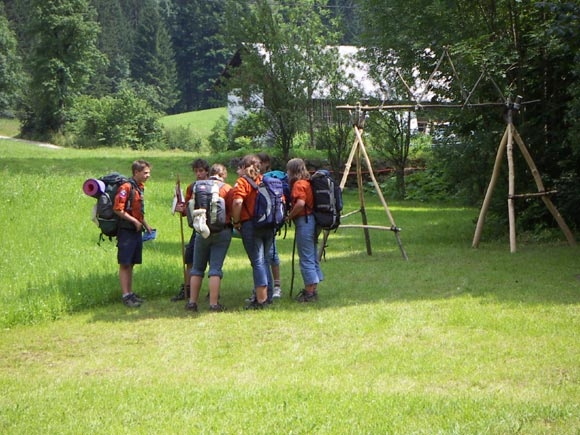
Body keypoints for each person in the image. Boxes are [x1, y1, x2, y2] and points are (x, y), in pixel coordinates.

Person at [186, 164, 233, 313]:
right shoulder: (227, 188)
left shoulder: (196, 186)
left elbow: (189, 207)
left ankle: (192, 302)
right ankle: (213, 304)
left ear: (210, 173)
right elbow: (232, 209)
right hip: (222, 230)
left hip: (202, 230)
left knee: (197, 268)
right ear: (223, 175)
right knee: (215, 268)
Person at [231, 154, 274, 309]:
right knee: (265, 260)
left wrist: (236, 221)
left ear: (244, 167)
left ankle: (261, 300)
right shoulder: (266, 180)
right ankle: (268, 296)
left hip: (251, 224)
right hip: (269, 224)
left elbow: (237, 202)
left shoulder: (243, 182)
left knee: (257, 262)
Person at [113, 159, 154, 308]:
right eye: (145, 173)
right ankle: (125, 296)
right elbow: (118, 209)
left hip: (136, 231)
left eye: (149, 173)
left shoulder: (139, 187)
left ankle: (130, 294)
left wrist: (145, 225)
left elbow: (137, 211)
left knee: (131, 263)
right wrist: (134, 222)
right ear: (136, 172)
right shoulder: (126, 187)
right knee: (125, 263)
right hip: (126, 231)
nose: (148, 175)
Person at [171, 158, 210, 301]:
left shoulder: (214, 186)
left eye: (201, 171)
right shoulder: (191, 188)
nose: (198, 174)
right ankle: (187, 289)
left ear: (207, 171)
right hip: (197, 228)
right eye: (196, 171)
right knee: (190, 258)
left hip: (213, 226)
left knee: (212, 259)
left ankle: (213, 291)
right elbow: (187, 208)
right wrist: (181, 209)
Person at [285, 158, 323, 302]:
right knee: (312, 255)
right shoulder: (308, 182)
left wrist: (289, 216)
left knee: (306, 257)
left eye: (288, 169)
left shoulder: (299, 184)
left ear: (292, 170)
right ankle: (313, 288)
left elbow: (300, 203)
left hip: (304, 222)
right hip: (313, 221)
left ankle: (309, 292)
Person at [256, 152, 283, 299]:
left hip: (269, 221)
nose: (258, 165)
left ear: (267, 163)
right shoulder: (257, 179)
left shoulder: (272, 178)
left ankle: (274, 287)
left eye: (261, 162)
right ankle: (266, 288)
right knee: (265, 256)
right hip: (268, 221)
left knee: (271, 254)